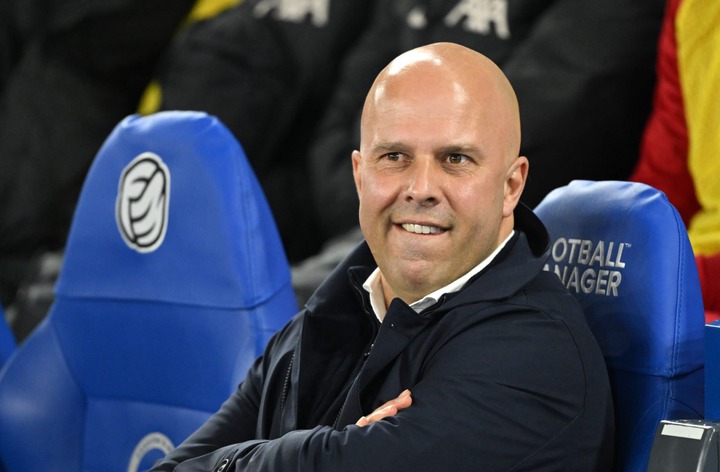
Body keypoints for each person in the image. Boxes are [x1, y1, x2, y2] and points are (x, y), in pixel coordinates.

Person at [150, 42, 614, 471]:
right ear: (359, 174)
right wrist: (330, 448)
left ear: (511, 186)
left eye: (455, 159)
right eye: (394, 156)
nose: (421, 189)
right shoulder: (326, 315)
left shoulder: (536, 356)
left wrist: (262, 457)